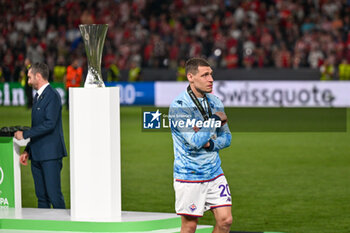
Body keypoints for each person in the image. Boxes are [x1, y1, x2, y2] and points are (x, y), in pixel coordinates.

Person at [169, 58, 232, 233]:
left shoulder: (215, 102)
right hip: (189, 175)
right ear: (190, 77)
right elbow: (195, 142)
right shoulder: (179, 106)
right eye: (205, 75)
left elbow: (227, 138)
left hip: (214, 172)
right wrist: (214, 120)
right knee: (189, 227)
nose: (211, 79)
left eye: (211, 74)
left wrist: (210, 143)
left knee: (226, 220)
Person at [14, 62, 67, 209]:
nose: (28, 81)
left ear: (38, 76)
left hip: (50, 154)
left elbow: (49, 124)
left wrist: (24, 134)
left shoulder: (52, 96)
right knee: (41, 197)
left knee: (54, 196)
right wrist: (28, 150)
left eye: (30, 77)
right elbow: (38, 128)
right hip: (37, 154)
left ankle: (63, 229)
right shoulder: (39, 97)